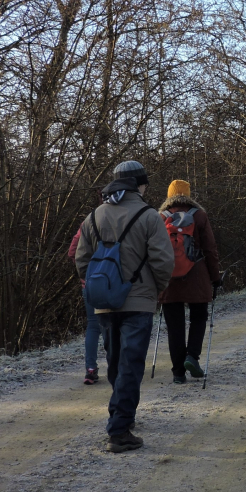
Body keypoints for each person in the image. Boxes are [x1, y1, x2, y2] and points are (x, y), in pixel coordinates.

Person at [75, 160, 174, 453]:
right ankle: (119, 429)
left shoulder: (92, 217)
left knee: (116, 360)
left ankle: (120, 415)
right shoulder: (149, 216)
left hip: (104, 301)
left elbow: (82, 261)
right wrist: (156, 288)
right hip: (139, 300)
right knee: (131, 363)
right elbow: (163, 261)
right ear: (139, 185)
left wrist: (99, 284)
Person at [158, 180, 222, 385]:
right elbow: (210, 249)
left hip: (169, 278)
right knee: (199, 318)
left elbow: (153, 251)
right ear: (188, 194)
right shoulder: (199, 215)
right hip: (197, 275)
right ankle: (192, 357)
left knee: (174, 325)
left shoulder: (160, 217)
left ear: (169, 196)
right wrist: (215, 278)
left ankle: (178, 372)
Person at [68, 227, 108, 385]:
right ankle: (114, 366)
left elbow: (72, 252)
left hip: (89, 284)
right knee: (108, 324)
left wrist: (85, 274)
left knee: (92, 324)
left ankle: (90, 369)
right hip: (110, 282)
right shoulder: (114, 221)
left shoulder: (87, 224)